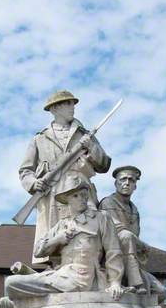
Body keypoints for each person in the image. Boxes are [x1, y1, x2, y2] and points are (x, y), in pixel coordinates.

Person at [18, 90, 111, 265]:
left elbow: (104, 164)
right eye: (68, 103)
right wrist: (33, 183)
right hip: (52, 192)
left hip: (80, 189)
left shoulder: (84, 134)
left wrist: (91, 146)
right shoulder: (39, 138)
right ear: (55, 108)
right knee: (55, 237)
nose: (73, 107)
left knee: (90, 231)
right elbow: (25, 171)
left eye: (73, 104)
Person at [3, 177, 124, 304]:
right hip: (61, 275)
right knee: (11, 283)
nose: (82, 199)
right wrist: (57, 239)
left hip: (83, 278)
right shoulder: (62, 224)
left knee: (12, 284)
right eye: (75, 196)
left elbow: (113, 250)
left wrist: (115, 282)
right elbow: (38, 251)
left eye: (84, 195)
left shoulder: (101, 218)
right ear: (67, 200)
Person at [99, 166, 165, 296]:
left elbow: (135, 238)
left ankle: (135, 284)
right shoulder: (108, 202)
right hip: (111, 258)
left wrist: (140, 246)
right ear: (116, 183)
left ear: (135, 186)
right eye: (123, 179)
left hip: (130, 259)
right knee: (126, 236)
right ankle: (136, 284)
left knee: (160, 292)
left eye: (131, 180)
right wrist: (143, 245)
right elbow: (117, 230)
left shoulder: (134, 209)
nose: (127, 183)